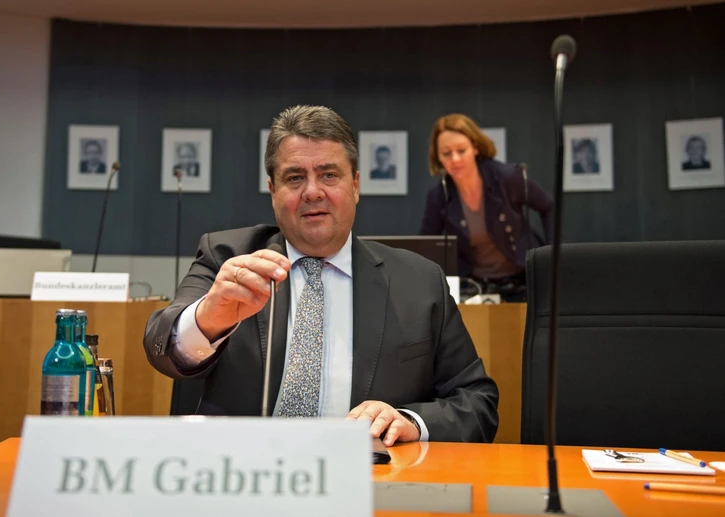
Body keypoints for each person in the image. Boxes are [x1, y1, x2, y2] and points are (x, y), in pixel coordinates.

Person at [144, 105, 499, 445]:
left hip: (368, 476)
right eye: (295, 178)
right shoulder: (230, 258)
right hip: (243, 471)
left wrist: (410, 422)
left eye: (329, 175)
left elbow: (477, 403)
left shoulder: (420, 282)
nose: (313, 192)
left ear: (355, 185)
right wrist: (208, 318)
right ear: (273, 192)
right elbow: (161, 345)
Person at [420, 114, 553, 301]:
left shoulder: (507, 177)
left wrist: (553, 256)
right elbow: (427, 245)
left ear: (475, 147)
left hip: (523, 279)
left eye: (461, 150)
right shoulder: (439, 195)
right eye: (446, 153)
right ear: (438, 157)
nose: (455, 159)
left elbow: (548, 206)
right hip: (474, 286)